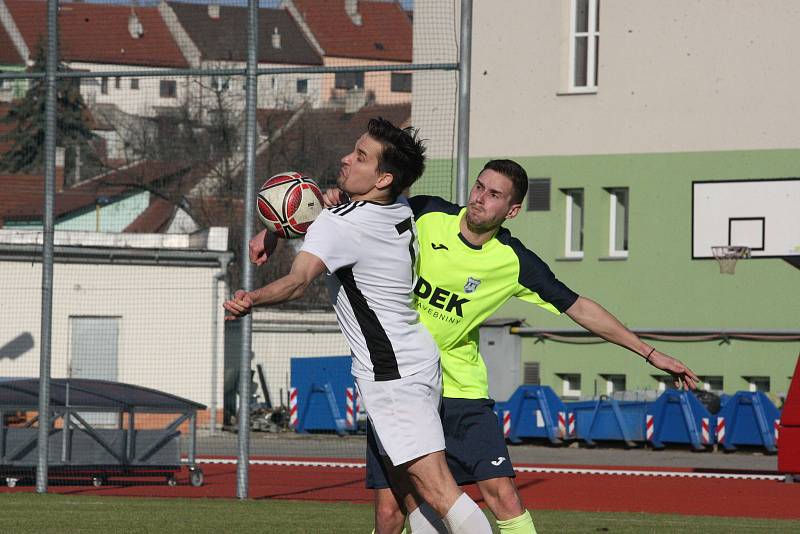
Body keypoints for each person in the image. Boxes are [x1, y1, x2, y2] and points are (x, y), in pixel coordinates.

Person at [277, 158, 697, 534]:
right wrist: (277, 233)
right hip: (402, 384)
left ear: (511, 210)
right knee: (390, 515)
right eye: (479, 186)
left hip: (460, 390)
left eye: (494, 194)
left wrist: (650, 353)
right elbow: (347, 215)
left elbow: (579, 307)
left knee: (503, 496)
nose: (480, 198)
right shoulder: (424, 213)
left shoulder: (513, 260)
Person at [225, 117, 493, 534]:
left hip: (392, 374)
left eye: (360, 156)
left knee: (440, 492)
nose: (346, 159)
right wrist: (275, 231)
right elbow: (346, 215)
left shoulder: (341, 223)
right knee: (414, 496)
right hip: (413, 360)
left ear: (383, 177)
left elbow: (298, 282)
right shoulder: (397, 203)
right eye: (354, 149)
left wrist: (250, 298)